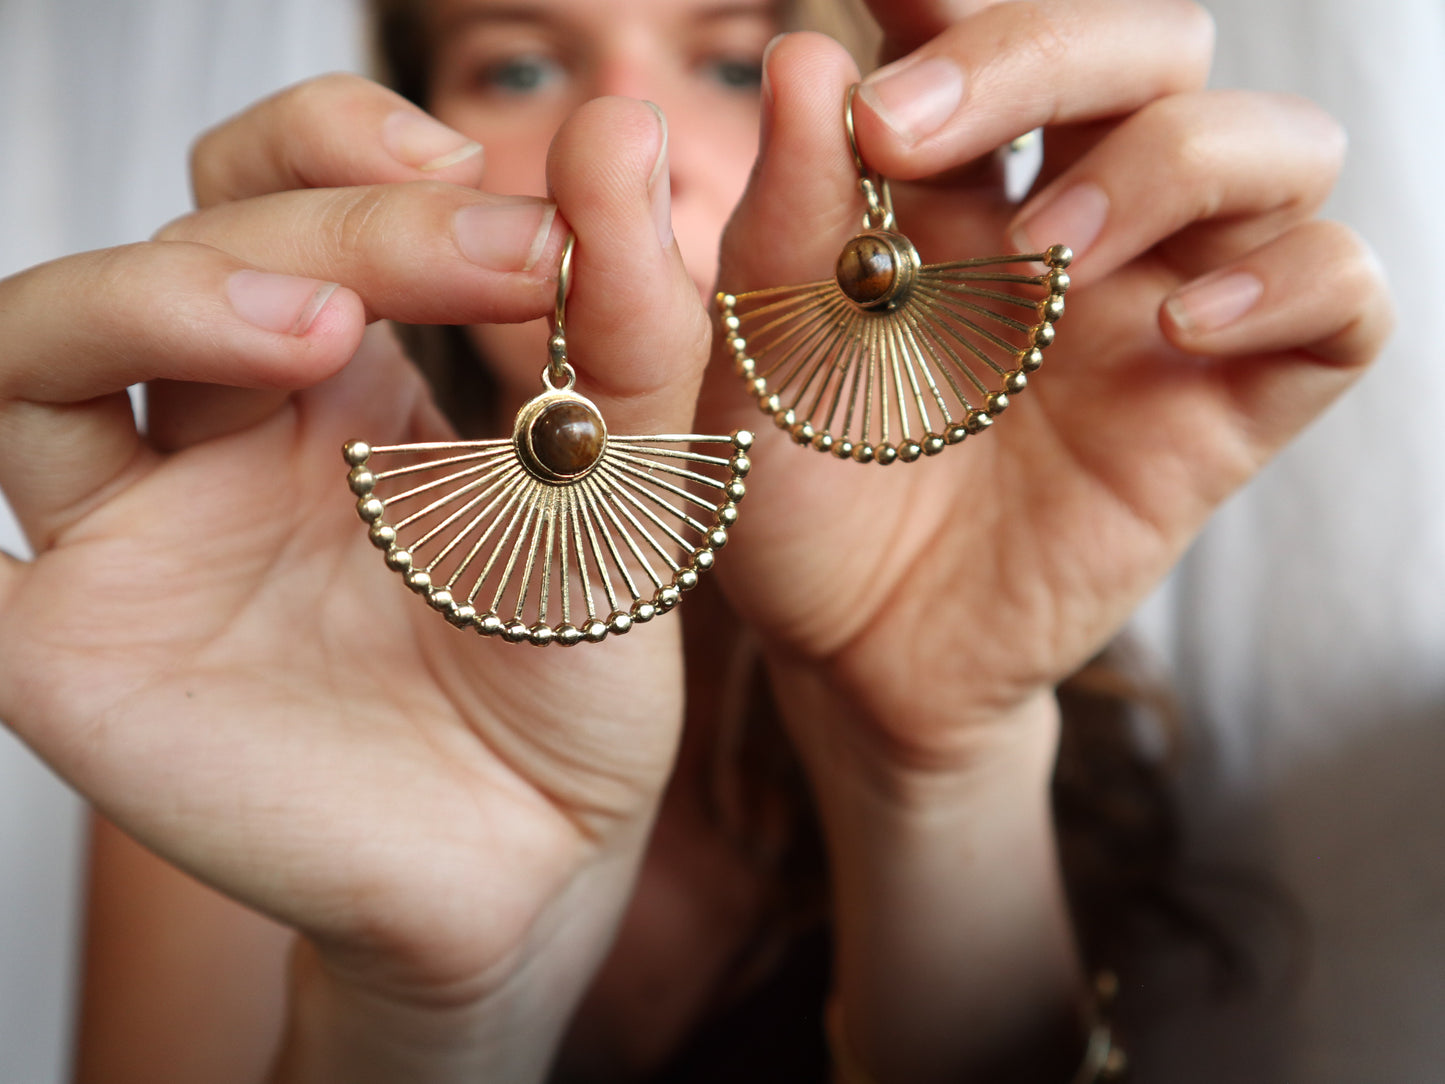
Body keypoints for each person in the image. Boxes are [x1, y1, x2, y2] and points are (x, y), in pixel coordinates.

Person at [0, 0, 1395, 1082]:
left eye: (732, 65)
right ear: (415, 130)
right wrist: (428, 1018)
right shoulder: (249, 678)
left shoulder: (1014, 652)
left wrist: (926, 767)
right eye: (518, 67)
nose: (621, 136)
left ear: (871, 142)